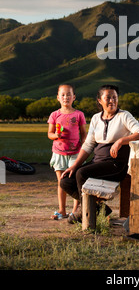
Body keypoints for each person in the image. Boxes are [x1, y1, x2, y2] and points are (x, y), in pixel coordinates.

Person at [60, 84, 139, 223]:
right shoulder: (95, 118)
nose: (112, 101)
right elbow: (88, 145)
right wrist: (74, 166)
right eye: (108, 98)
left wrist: (121, 141)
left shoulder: (123, 116)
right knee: (66, 181)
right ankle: (99, 209)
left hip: (115, 165)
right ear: (100, 100)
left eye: (115, 97)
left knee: (82, 174)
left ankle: (87, 214)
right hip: (97, 162)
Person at [48, 84, 87, 220]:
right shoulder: (55, 115)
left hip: (75, 153)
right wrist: (57, 135)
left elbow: (83, 133)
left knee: (75, 181)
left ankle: (75, 211)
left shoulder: (79, 114)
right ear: (58, 98)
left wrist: (84, 148)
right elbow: (50, 134)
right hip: (58, 153)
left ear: (74, 97)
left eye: (69, 94)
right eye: (63, 95)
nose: (66, 97)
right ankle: (62, 210)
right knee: (61, 182)